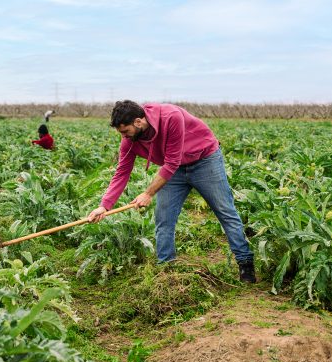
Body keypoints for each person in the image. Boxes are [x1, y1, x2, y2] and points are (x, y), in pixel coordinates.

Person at [87, 100, 256, 283]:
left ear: (138, 122)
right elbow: (122, 172)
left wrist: (148, 193)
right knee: (164, 220)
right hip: (173, 171)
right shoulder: (129, 140)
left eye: (125, 131)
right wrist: (104, 206)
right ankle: (166, 271)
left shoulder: (170, 117)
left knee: (225, 212)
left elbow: (172, 162)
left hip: (204, 160)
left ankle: (245, 263)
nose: (124, 136)